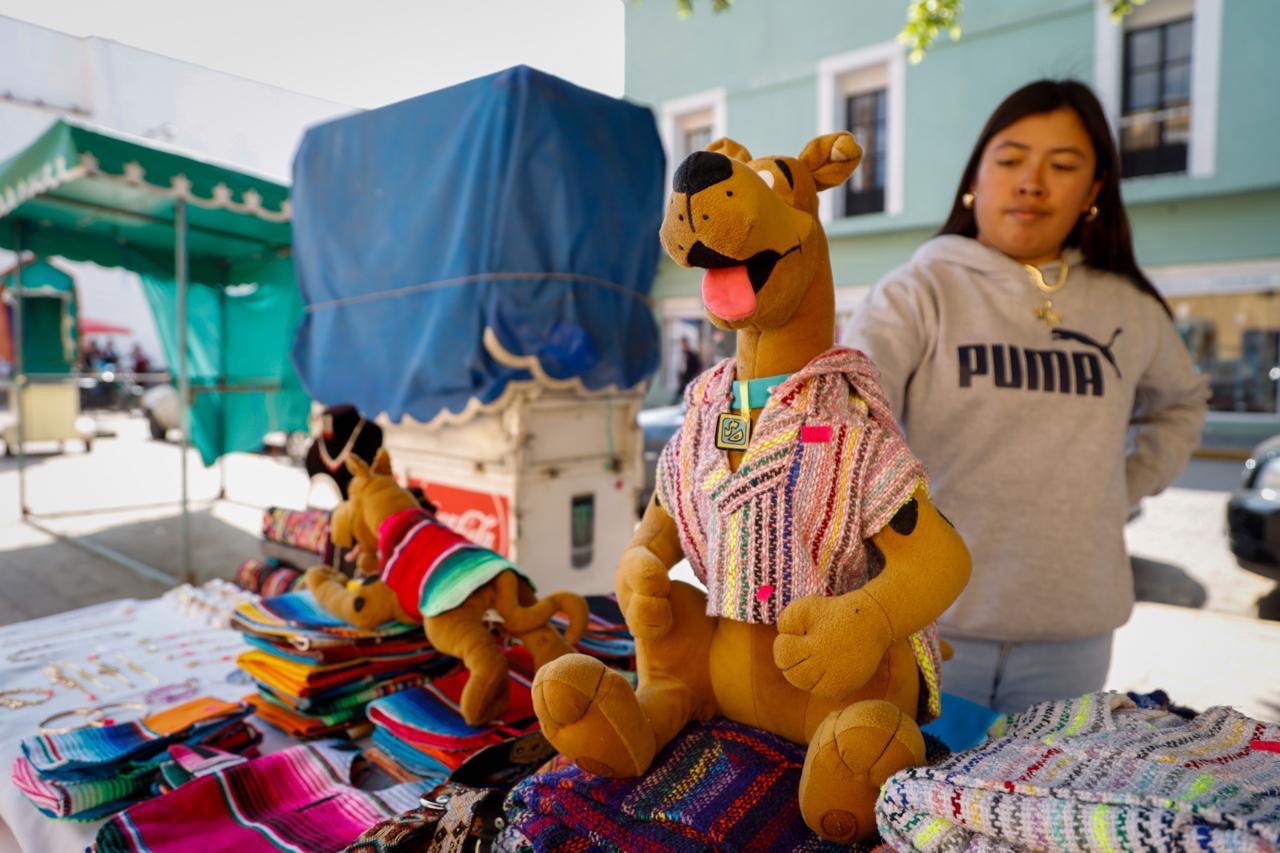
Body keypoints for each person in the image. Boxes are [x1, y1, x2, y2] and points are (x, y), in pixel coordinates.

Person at [840, 79, 1208, 714]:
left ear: (1094, 191)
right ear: (975, 177)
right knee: (911, 805)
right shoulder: (917, 293)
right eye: (1010, 160)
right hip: (928, 621)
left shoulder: (1128, 307)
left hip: (1073, 632)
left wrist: (1123, 484)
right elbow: (849, 422)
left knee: (1046, 806)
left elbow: (1181, 403)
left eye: (1062, 166)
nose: (1031, 182)